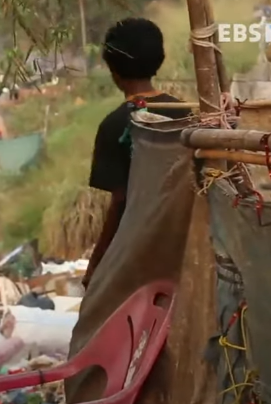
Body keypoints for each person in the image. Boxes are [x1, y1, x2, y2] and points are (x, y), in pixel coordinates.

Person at [82, 18, 191, 288]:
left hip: (141, 256)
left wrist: (96, 264)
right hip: (189, 243)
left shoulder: (115, 125)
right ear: (159, 59)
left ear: (112, 69)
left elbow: (121, 204)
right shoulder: (187, 114)